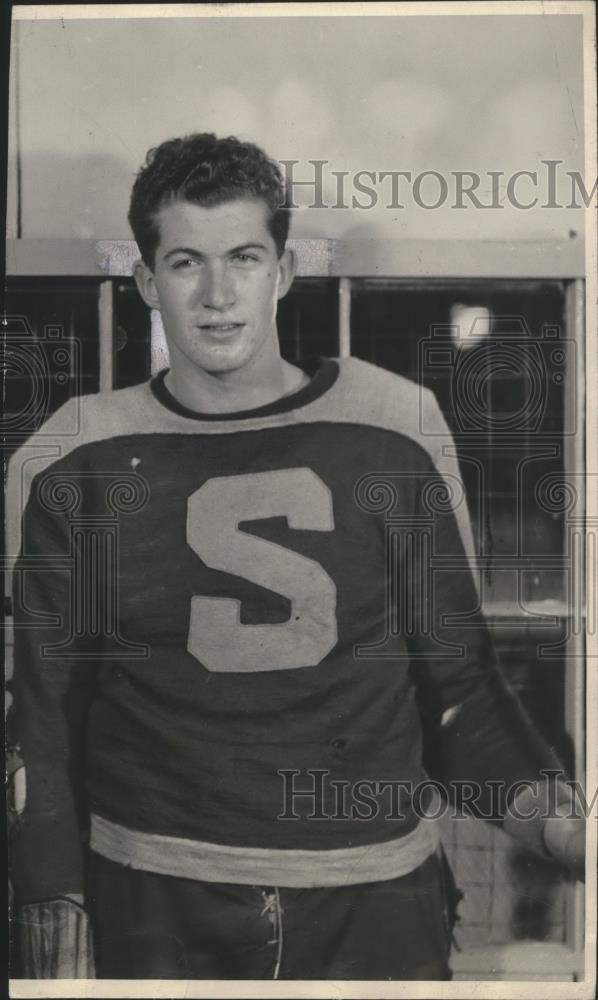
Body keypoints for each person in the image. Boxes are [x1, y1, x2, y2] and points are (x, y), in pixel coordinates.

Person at [6, 132, 585, 982]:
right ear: (143, 281)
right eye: (184, 263)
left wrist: (560, 826)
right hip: (156, 900)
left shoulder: (395, 426)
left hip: (375, 903)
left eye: (243, 257)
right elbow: (43, 724)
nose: (215, 295)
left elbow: (460, 693)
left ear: (282, 271)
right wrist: (50, 924)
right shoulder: (74, 454)